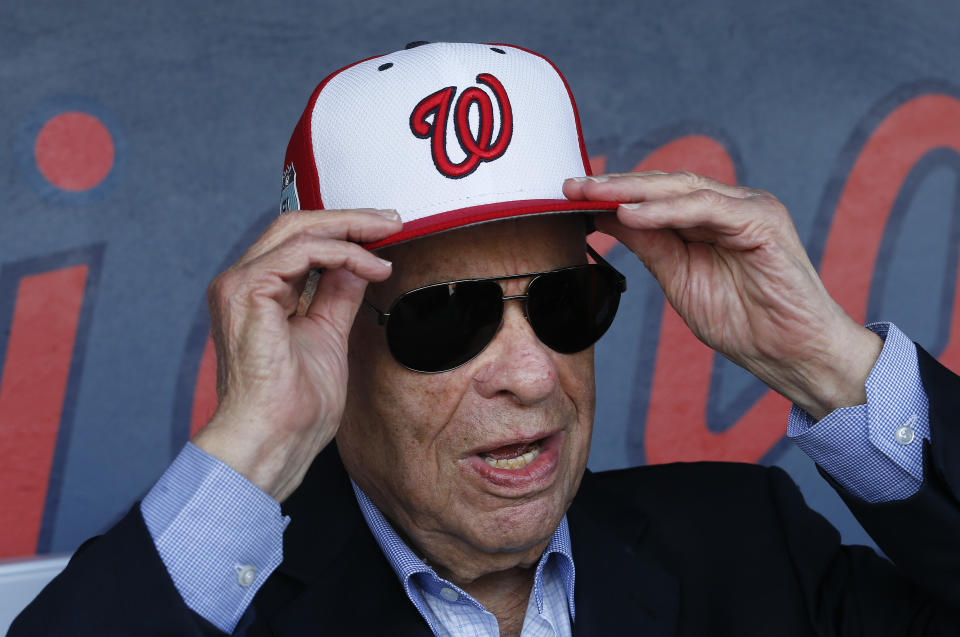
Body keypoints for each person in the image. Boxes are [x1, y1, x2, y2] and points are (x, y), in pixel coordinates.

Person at [11, 41, 960, 636]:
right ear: (328, 344)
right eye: (444, 319)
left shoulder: (745, 545)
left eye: (562, 305)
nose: (531, 370)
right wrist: (254, 448)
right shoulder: (225, 602)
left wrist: (829, 364)